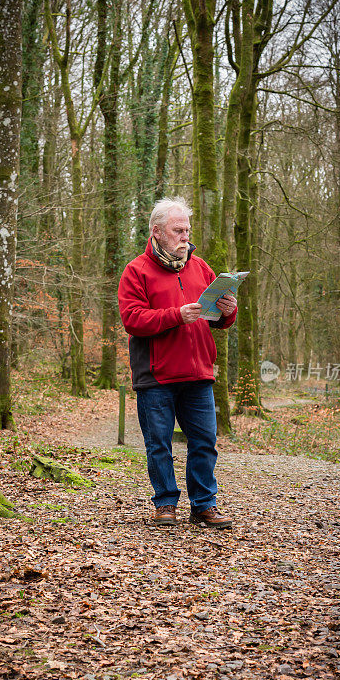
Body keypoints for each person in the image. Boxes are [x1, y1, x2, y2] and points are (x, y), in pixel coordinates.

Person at [118, 197, 238, 528]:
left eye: (187, 229)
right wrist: (176, 316)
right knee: (159, 443)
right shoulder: (136, 270)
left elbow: (215, 320)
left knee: (205, 442)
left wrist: (228, 311)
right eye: (177, 230)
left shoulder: (201, 268)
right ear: (157, 232)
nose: (185, 236)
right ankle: (165, 504)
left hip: (198, 372)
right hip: (156, 376)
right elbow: (133, 318)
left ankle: (203, 505)